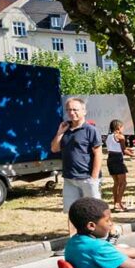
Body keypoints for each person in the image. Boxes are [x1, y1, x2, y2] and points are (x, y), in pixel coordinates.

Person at [50, 97, 103, 236]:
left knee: (94, 211)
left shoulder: (90, 130)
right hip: (69, 178)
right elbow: (54, 148)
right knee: (72, 212)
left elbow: (98, 154)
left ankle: (102, 237)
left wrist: (94, 177)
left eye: (75, 109)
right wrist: (60, 132)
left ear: (84, 111)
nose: (71, 112)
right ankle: (73, 241)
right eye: (69, 110)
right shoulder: (65, 130)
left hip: (87, 177)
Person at [105, 119, 133, 213]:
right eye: (122, 127)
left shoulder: (108, 136)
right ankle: (118, 203)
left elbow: (115, 147)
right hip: (118, 159)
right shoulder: (120, 136)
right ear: (118, 128)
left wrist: (128, 149)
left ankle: (116, 203)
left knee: (116, 183)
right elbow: (124, 150)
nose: (123, 129)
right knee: (123, 183)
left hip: (110, 159)